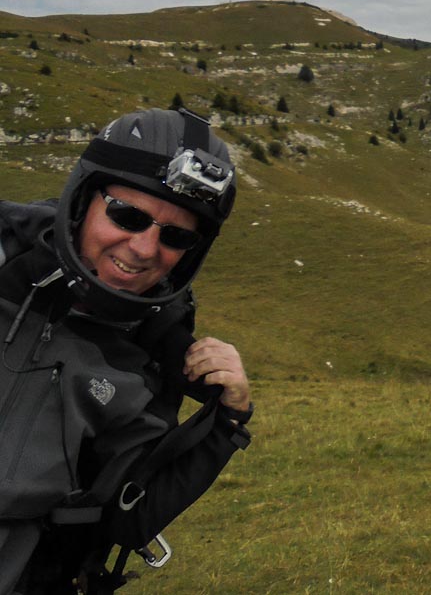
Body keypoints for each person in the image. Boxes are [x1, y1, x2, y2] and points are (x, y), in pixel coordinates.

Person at [0, 107, 253, 594]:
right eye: (127, 215)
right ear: (83, 200)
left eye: (176, 236)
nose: (143, 248)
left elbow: (128, 519)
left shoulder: (150, 361)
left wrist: (227, 421)